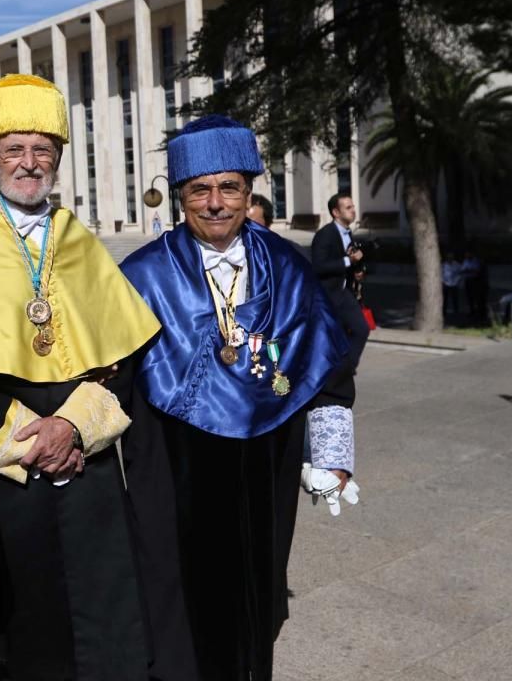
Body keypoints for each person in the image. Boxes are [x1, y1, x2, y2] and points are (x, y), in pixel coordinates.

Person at [0, 74, 162, 681]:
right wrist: (30, 438)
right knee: (11, 636)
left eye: (41, 151)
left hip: (88, 468)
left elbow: (121, 355)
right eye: (13, 150)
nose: (29, 164)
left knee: (103, 632)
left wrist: (74, 429)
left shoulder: (79, 240)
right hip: (3, 471)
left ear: (57, 156)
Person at [120, 115, 355, 681]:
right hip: (174, 461)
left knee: (259, 597)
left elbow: (328, 368)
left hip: (266, 462)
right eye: (200, 190)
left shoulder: (288, 266)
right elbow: (112, 379)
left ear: (249, 192)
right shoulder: (140, 276)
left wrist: (330, 453)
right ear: (181, 197)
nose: (216, 203)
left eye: (229, 187)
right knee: (180, 609)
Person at [311, 193, 370, 366]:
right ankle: (337, 371)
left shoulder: (348, 233)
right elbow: (318, 267)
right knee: (330, 337)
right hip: (328, 294)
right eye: (348, 208)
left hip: (344, 293)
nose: (353, 211)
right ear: (336, 212)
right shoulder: (325, 234)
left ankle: (346, 369)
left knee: (361, 329)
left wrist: (357, 272)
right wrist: (348, 261)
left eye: (353, 207)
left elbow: (346, 264)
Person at [462, 249, 488, 322]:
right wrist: (469, 270)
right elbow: (463, 270)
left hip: (477, 282)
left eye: (468, 254)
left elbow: (477, 271)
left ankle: (481, 314)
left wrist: (469, 270)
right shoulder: (466, 261)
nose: (466, 256)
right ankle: (472, 311)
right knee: (469, 297)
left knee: (479, 299)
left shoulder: (477, 261)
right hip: (468, 281)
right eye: (466, 255)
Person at [442, 252, 463, 318]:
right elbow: (440, 274)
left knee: (455, 299)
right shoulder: (443, 265)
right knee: (444, 299)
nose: (449, 259)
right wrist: (443, 282)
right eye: (448, 258)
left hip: (454, 284)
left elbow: (460, 273)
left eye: (451, 257)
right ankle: (443, 312)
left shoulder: (457, 265)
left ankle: (456, 312)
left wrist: (457, 281)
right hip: (446, 284)